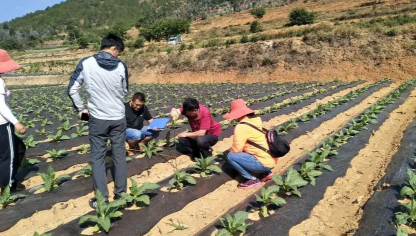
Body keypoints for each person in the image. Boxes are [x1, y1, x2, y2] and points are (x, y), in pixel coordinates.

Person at [68, 33, 129, 207]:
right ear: (114, 48)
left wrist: (81, 109)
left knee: (98, 159)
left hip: (97, 119)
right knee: (119, 157)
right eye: (119, 52)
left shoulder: (86, 63)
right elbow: (124, 92)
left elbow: (72, 89)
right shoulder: (121, 66)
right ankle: (121, 197)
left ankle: (101, 201)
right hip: (118, 117)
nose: (118, 56)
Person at [223, 99, 275, 189]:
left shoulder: (241, 127)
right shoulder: (255, 119)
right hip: (271, 158)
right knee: (249, 149)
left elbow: (237, 149)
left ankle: (252, 179)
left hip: (263, 163)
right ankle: (266, 173)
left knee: (231, 156)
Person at [0, 49, 27, 192]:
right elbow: (1, 105)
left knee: (19, 148)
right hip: (2, 124)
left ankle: (8, 179)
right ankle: (8, 186)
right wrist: (16, 122)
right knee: (8, 157)